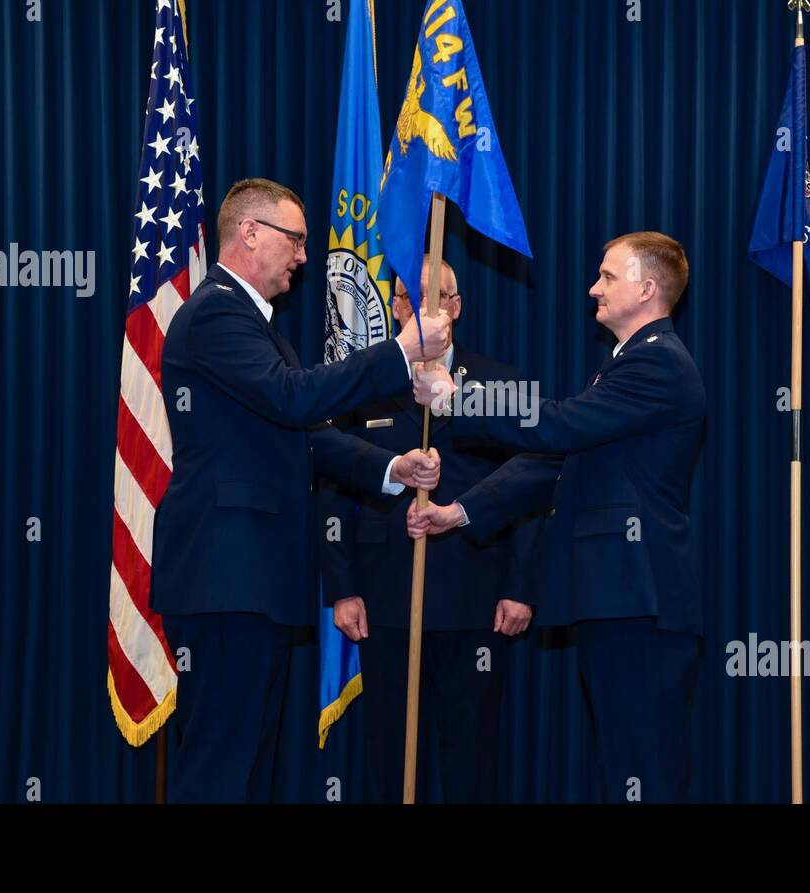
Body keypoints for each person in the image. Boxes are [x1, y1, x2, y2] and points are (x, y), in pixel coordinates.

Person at [150, 178, 449, 802]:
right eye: (297, 240)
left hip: (250, 581)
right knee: (220, 771)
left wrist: (392, 468)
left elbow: (302, 435)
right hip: (225, 575)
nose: (305, 256)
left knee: (247, 769)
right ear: (250, 233)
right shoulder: (214, 313)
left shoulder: (256, 327)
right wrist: (398, 353)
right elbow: (294, 399)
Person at [409, 232, 705, 803]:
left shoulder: (658, 365)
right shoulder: (628, 365)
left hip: (640, 598)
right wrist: (462, 512)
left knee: (643, 764)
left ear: (646, 289)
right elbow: (555, 461)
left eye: (608, 277)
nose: (593, 287)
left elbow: (558, 426)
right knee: (622, 765)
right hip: (619, 597)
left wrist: (458, 399)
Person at [321, 256, 537, 803]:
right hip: (384, 596)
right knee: (388, 753)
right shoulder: (361, 385)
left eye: (430, 296)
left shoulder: (501, 384)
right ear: (392, 308)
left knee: (470, 754)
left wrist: (520, 586)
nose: (415, 308)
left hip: (475, 596)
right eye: (403, 298)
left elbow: (529, 491)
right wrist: (342, 587)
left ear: (456, 308)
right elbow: (331, 489)